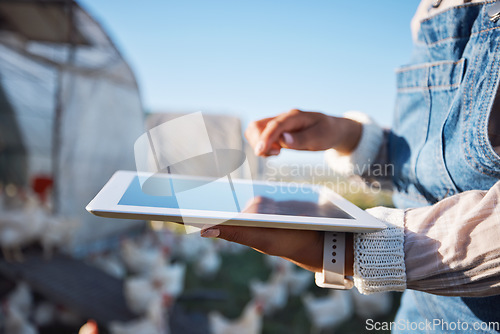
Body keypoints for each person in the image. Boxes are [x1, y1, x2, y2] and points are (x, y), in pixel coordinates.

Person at [200, 0, 500, 332]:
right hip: (417, 310)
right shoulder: (429, 9)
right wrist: (347, 135)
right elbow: (432, 163)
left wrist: (347, 249)